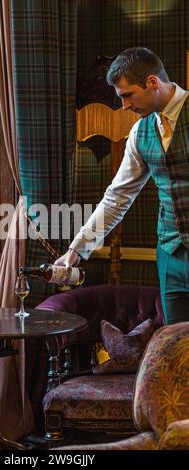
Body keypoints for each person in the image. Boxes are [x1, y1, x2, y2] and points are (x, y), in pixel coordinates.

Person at [55, 47, 189, 325]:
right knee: (176, 348)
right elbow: (118, 196)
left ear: (152, 82)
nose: (124, 105)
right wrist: (77, 249)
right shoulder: (140, 132)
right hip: (170, 254)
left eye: (128, 95)